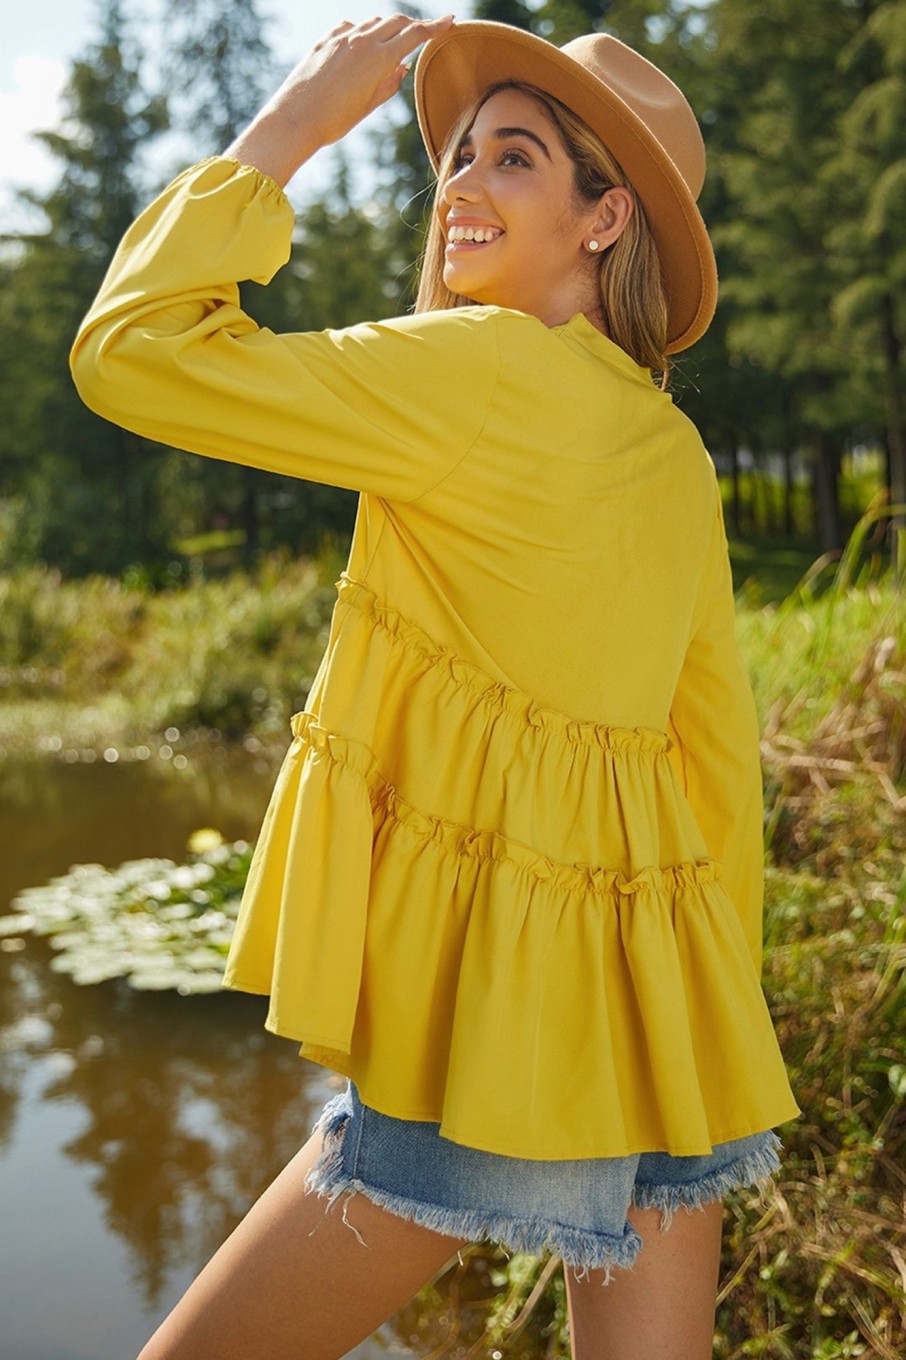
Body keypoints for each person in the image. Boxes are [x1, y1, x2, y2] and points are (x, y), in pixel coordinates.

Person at [70, 14, 799, 1360]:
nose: (458, 185)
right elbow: (713, 758)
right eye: (456, 158)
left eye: (510, 159)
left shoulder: (478, 366)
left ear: (604, 218)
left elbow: (133, 352)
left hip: (496, 1022)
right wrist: (704, 1024)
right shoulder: (666, 440)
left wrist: (291, 124)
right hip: (654, 1017)